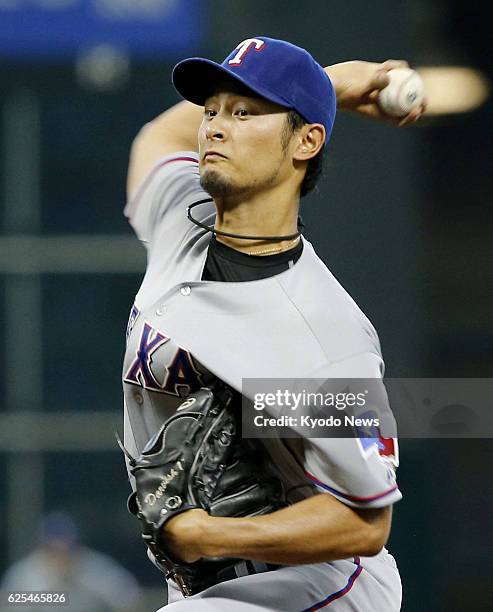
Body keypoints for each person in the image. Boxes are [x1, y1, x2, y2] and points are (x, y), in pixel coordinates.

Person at [122, 37, 425, 611]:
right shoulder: (180, 221)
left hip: (320, 589)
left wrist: (204, 535)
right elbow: (157, 138)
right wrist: (327, 84)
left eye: (244, 112)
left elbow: (364, 522)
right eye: (212, 109)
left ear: (306, 141)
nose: (213, 126)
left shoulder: (322, 333)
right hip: (210, 586)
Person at [1, 511, 141, 612]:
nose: (60, 555)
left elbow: (130, 599)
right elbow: (8, 604)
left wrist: (82, 585)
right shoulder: (26, 574)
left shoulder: (94, 568)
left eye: (65, 549)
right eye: (54, 550)